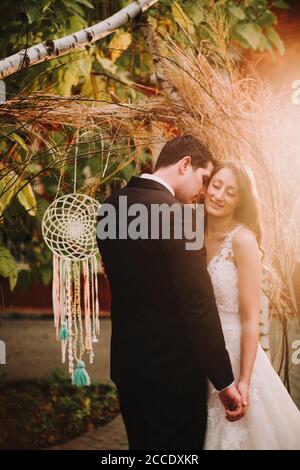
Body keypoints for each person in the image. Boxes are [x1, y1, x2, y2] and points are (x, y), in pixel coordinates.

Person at [96, 135, 244, 450]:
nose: (203, 191)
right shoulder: (181, 217)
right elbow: (198, 306)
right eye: (204, 179)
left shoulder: (109, 209)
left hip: (128, 368)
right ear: (185, 164)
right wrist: (224, 381)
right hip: (174, 376)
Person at [202, 161, 300, 450]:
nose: (218, 195)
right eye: (216, 185)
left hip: (236, 354)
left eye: (230, 192)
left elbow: (249, 318)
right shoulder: (191, 232)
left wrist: (244, 380)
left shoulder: (243, 241)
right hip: (202, 353)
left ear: (240, 200)